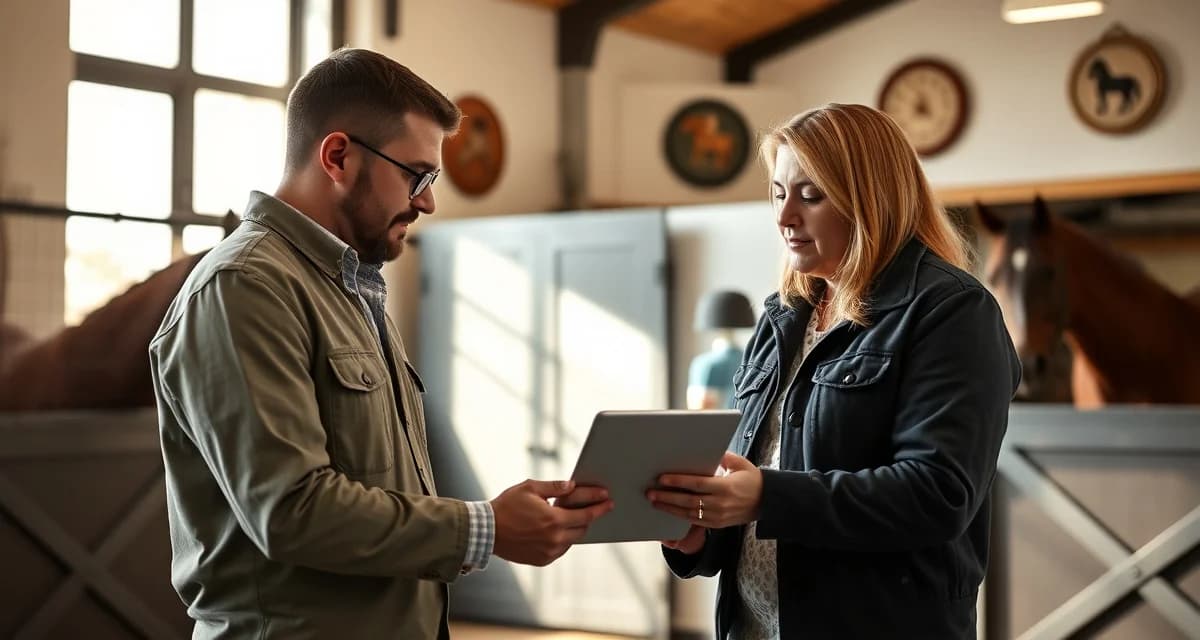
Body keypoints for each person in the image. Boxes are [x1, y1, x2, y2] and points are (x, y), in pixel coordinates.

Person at [149, 48, 612, 640]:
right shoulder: (244, 286)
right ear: (338, 157)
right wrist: (486, 528)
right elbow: (290, 511)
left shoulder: (352, 286)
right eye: (417, 176)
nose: (428, 202)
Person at [647, 103, 1020, 639]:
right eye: (778, 193)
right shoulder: (781, 316)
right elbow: (759, 467)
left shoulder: (952, 311)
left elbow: (937, 494)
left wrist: (765, 496)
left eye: (810, 195)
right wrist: (700, 537)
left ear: (871, 199)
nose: (784, 218)